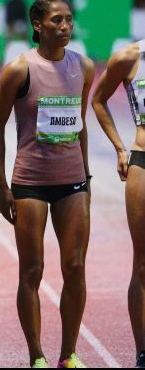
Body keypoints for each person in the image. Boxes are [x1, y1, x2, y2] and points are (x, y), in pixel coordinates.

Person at [0, 0, 95, 369]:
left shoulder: (83, 66)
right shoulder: (20, 69)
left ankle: (69, 354)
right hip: (30, 182)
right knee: (32, 270)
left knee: (76, 266)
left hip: (72, 182)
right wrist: (2, 186)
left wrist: (87, 177)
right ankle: (36, 355)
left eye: (68, 19)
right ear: (38, 25)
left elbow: (80, 124)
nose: (65, 26)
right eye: (56, 20)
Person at [91, 38, 145, 368]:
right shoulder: (130, 56)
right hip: (143, 162)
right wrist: (120, 148)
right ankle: (142, 352)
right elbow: (98, 100)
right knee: (142, 264)